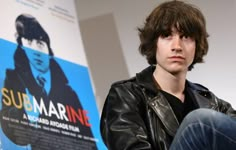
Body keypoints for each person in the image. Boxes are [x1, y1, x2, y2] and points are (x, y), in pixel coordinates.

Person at [100, 1, 236, 150]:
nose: (177, 46)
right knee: (199, 123)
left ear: (197, 45)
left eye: (186, 37)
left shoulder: (212, 102)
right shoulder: (126, 95)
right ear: (154, 43)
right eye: (167, 36)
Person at [0, 14, 97, 150]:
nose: (36, 51)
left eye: (40, 43)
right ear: (22, 46)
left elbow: (89, 142)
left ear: (48, 49)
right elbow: (13, 130)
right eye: (28, 42)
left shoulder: (70, 94)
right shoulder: (14, 79)